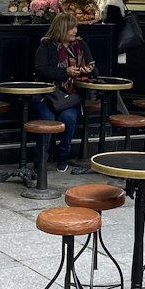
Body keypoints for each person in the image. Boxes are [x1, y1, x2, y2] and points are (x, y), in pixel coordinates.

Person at [32, 11, 94, 171]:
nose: (75, 31)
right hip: (47, 95)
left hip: (70, 96)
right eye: (71, 28)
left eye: (75, 28)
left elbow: (94, 69)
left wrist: (82, 71)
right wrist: (65, 72)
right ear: (61, 29)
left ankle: (63, 157)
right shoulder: (46, 45)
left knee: (69, 118)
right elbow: (40, 70)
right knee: (47, 118)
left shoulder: (81, 45)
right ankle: (40, 162)